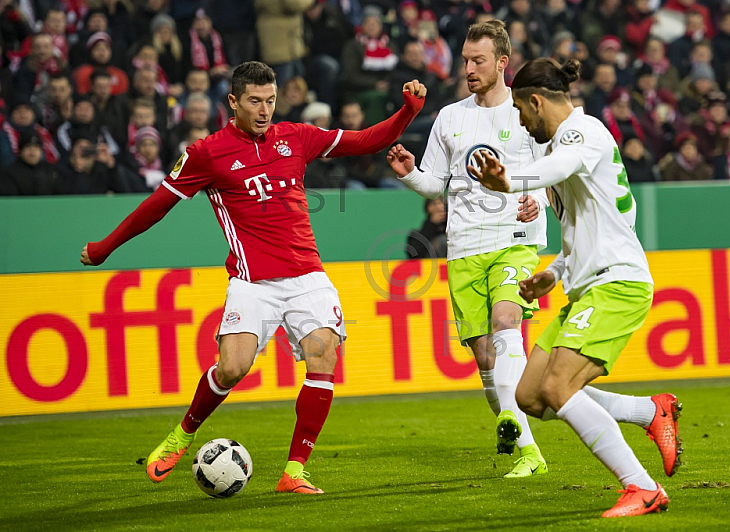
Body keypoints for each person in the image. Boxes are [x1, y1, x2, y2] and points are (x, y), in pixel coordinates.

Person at [80, 61, 426, 495]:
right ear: (233, 102)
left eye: (270, 100)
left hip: (307, 278)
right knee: (232, 368)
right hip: (252, 282)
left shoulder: (296, 137)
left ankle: (294, 471)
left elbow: (365, 141)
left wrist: (408, 112)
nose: (264, 110)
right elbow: (158, 205)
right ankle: (182, 434)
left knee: (324, 360)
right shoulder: (206, 153)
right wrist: (105, 247)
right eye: (255, 101)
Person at [469, 57, 681, 518]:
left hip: (617, 284)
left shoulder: (581, 135)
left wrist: (509, 182)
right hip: (588, 285)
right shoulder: (564, 149)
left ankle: (641, 488)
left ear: (537, 101)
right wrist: (557, 270)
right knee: (530, 395)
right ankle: (650, 412)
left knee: (559, 387)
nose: (524, 125)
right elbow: (610, 218)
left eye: (524, 114)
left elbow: (559, 167)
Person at [387, 20, 551, 478]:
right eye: (465, 60)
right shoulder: (450, 117)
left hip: (513, 242)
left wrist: (535, 200)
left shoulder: (528, 113)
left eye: (478, 60)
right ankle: (511, 425)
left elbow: (555, 174)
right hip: (463, 248)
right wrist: (408, 173)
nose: (469, 68)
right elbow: (435, 186)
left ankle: (529, 451)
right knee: (484, 356)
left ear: (503, 63)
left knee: (506, 321)